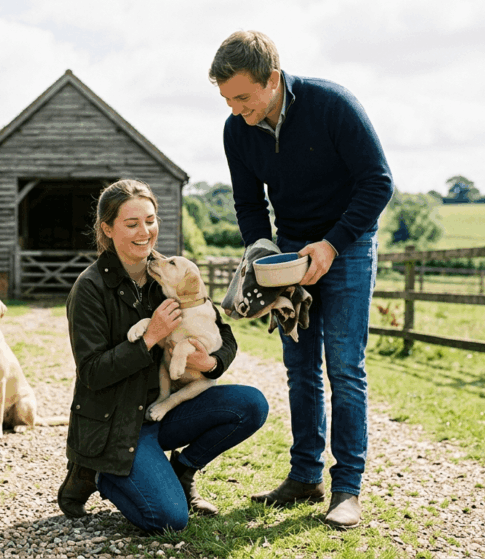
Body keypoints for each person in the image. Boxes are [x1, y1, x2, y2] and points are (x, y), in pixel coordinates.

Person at [209, 31, 394, 529]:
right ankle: (304, 475)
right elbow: (249, 204)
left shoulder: (331, 104)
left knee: (344, 369)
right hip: (290, 253)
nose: (236, 109)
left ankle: (347, 489)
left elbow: (379, 181)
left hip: (348, 246)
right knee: (300, 368)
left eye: (243, 97)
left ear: (272, 79)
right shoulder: (237, 129)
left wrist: (332, 244)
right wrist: (263, 255)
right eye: (226, 99)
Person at [57, 179, 269, 533]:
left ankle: (183, 470)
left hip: (163, 408)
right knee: (168, 519)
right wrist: (149, 338)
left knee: (251, 404)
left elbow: (222, 330)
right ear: (107, 229)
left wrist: (212, 363)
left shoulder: (166, 274)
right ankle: (99, 472)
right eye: (131, 223)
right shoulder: (90, 289)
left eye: (150, 220)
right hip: (117, 423)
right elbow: (92, 373)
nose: (145, 232)